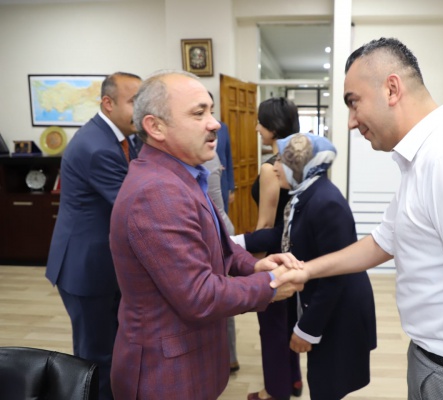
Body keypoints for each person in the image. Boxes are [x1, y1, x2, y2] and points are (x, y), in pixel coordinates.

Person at [272, 37, 443, 400]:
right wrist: (307, 271)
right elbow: (384, 240)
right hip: (433, 361)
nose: (351, 122)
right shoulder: (423, 160)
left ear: (391, 89)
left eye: (354, 103)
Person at [108, 70, 302, 400]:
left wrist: (254, 265)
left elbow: (220, 244)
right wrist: (269, 285)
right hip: (166, 375)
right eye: (199, 113)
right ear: (156, 127)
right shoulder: (157, 192)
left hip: (192, 359)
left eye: (211, 111)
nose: (215, 124)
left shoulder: (183, 174)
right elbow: (198, 295)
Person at [239, 133, 377, 400]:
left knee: (326, 384)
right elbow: (282, 233)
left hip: (338, 310)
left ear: (301, 165)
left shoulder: (327, 203)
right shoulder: (306, 192)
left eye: (282, 160)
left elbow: (335, 276)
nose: (275, 167)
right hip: (325, 303)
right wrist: (236, 241)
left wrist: (307, 330)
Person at [45, 71, 142, 400]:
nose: (141, 109)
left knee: (110, 347)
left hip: (102, 262)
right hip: (86, 267)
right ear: (108, 103)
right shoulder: (97, 147)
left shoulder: (124, 138)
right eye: (134, 102)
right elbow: (135, 208)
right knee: (95, 357)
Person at [249, 97, 302, 400]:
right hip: (294, 250)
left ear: (273, 126)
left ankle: (274, 391)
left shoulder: (271, 168)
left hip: (274, 254)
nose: (257, 127)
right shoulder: (299, 161)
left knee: (272, 328)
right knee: (289, 321)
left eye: (260, 122)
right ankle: (293, 380)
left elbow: (266, 223)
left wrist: (254, 266)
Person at [205, 153, 240, 373]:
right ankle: (227, 358)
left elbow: (216, 205)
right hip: (219, 230)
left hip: (218, 232)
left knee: (219, 295)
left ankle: (228, 358)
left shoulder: (206, 154)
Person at [208, 91, 236, 213]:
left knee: (223, 215)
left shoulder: (221, 127)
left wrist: (231, 187)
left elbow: (228, 157)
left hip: (222, 182)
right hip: (204, 182)